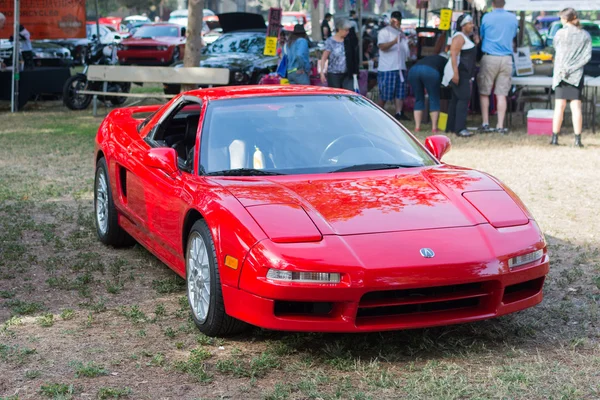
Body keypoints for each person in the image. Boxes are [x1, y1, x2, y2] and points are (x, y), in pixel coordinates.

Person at [550, 8, 592, 147]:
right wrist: (574, 67)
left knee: (559, 107)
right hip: (576, 75)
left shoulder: (560, 34)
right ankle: (577, 139)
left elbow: (556, 49)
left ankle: (555, 138)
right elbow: (587, 56)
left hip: (561, 74)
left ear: (565, 19)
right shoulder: (585, 35)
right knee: (576, 107)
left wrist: (564, 68)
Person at [477, 0, 518, 134]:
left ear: (492, 3)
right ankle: (500, 125)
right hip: (506, 58)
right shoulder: (512, 18)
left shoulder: (487, 17)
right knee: (502, 94)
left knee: (484, 92)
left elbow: (482, 36)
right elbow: (513, 36)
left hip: (489, 57)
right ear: (504, 3)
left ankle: (485, 122)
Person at [443, 14, 478, 137]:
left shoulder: (465, 37)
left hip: (462, 72)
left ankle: (451, 127)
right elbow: (453, 55)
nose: (472, 25)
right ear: (463, 25)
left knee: (456, 100)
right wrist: (455, 73)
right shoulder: (459, 37)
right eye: (470, 23)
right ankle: (460, 128)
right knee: (464, 98)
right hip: (459, 72)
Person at [377, 11, 410, 121]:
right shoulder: (384, 32)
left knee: (400, 92)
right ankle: (378, 112)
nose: (398, 22)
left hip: (400, 66)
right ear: (391, 19)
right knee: (385, 92)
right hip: (387, 67)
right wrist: (394, 41)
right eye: (395, 19)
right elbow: (382, 46)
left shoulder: (400, 32)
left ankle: (398, 113)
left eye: (399, 20)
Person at [407, 54, 447, 132]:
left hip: (413, 70)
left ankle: (417, 127)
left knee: (418, 99)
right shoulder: (445, 61)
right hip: (430, 72)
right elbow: (446, 76)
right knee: (434, 98)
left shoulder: (429, 57)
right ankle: (434, 128)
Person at [320, 19, 354, 90]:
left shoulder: (348, 40)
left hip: (346, 73)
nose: (347, 32)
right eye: (346, 30)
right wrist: (322, 72)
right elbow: (324, 58)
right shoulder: (330, 41)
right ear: (340, 29)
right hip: (333, 73)